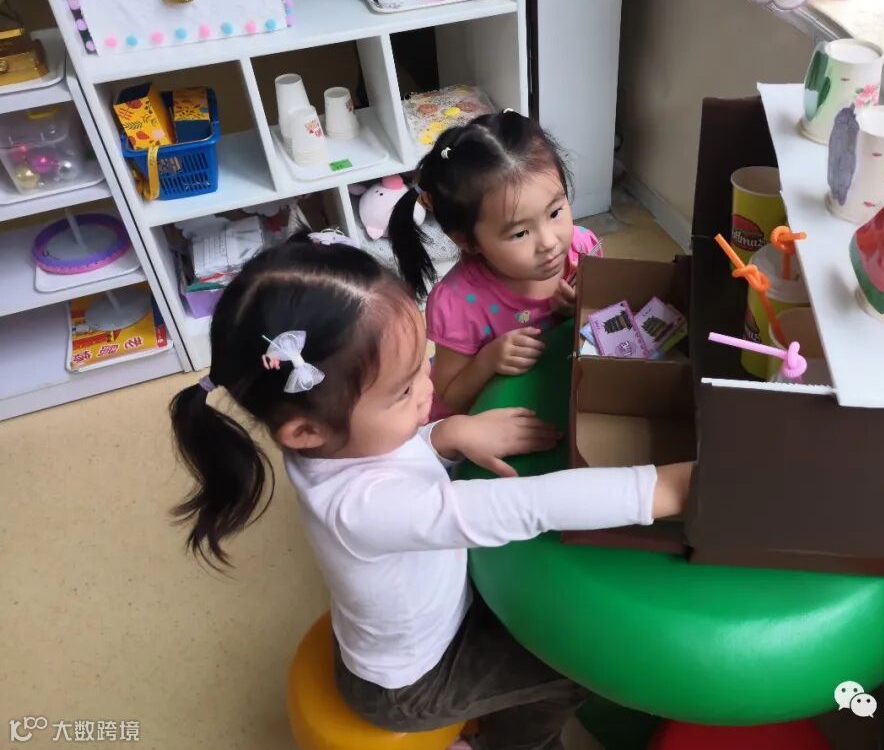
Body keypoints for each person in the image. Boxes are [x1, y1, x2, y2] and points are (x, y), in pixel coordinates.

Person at [170, 232, 692, 749]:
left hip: (433, 620)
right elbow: (524, 505)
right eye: (403, 391)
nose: (429, 388)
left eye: (423, 362)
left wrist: (445, 435)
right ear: (306, 431)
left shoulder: (332, 443)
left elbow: (395, 459)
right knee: (575, 666)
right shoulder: (361, 508)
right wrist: (663, 488)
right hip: (413, 684)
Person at [389, 111, 601, 416]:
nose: (549, 242)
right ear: (467, 241)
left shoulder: (582, 249)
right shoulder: (457, 304)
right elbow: (450, 398)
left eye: (555, 212)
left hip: (557, 394)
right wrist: (488, 361)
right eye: (520, 233)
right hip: (489, 418)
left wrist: (577, 310)